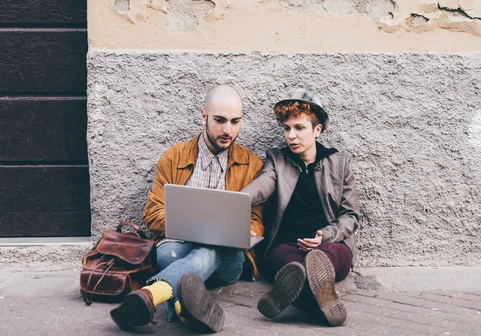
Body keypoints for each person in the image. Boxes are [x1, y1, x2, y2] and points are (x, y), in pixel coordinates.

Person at [110, 85, 264, 333]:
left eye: (235, 122)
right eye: (220, 120)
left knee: (210, 249)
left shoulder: (251, 164)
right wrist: (190, 226)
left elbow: (256, 219)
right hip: (175, 246)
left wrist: (242, 230)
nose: (228, 130)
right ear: (203, 116)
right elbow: (152, 213)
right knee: (173, 255)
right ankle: (184, 309)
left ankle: (152, 293)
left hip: (227, 259)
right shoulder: (174, 157)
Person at [241, 89, 360, 326]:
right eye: (287, 129)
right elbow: (263, 184)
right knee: (290, 265)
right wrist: (239, 199)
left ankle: (289, 295)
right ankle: (318, 301)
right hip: (288, 246)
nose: (291, 136)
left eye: (299, 128)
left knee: (322, 259)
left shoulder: (339, 162)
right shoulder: (276, 160)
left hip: (330, 245)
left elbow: (350, 215)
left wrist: (325, 235)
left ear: (317, 130)